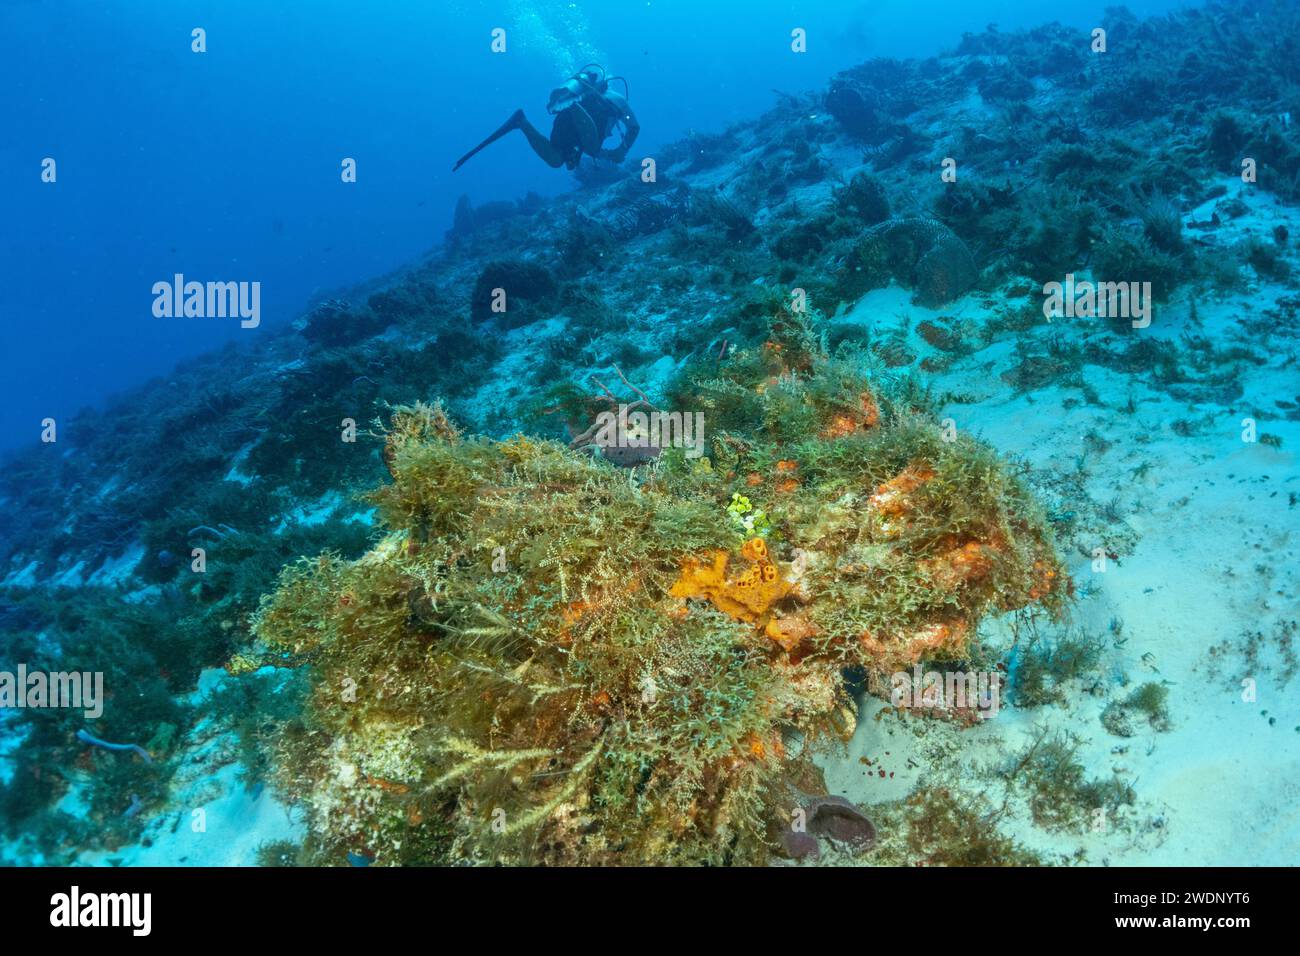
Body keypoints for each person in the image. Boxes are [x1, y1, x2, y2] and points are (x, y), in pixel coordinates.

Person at [453, 65, 639, 173]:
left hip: (565, 123)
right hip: (578, 121)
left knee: (557, 160)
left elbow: (597, 147)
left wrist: (611, 154)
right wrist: (622, 149)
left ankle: (522, 122)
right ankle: (573, 105)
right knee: (591, 147)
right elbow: (634, 127)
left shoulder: (594, 98)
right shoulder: (619, 100)